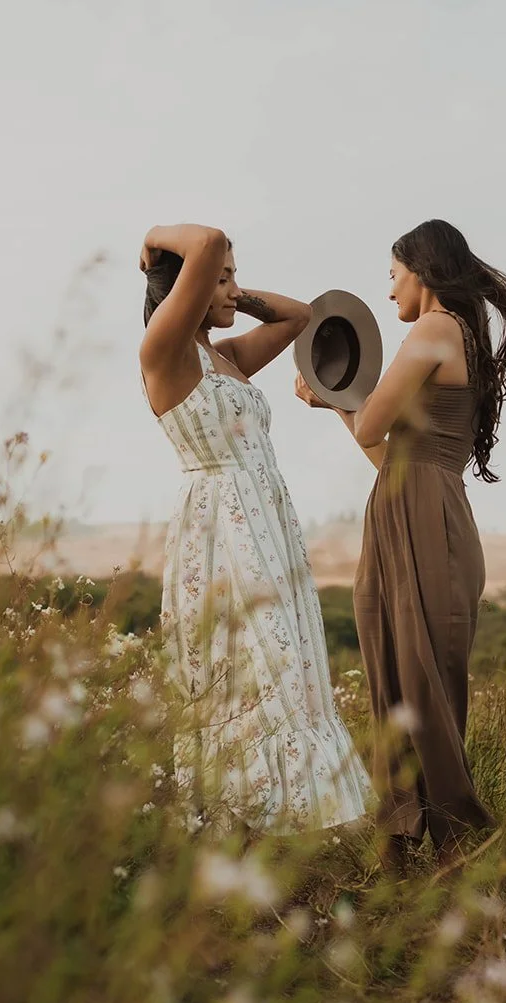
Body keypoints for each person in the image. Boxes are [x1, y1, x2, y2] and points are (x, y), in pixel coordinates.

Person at [295, 219, 506, 872]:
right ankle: (402, 838)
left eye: (391, 275)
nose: (388, 293)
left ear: (422, 269)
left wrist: (327, 395)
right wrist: (337, 407)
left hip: (426, 515)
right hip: (402, 501)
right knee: (393, 672)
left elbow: (371, 421)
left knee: (422, 684)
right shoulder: (451, 335)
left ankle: (463, 845)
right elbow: (382, 449)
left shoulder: (434, 330)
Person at [138, 223, 371, 833]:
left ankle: (278, 820)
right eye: (224, 276)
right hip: (219, 530)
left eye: (236, 275)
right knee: (245, 664)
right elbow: (209, 238)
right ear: (184, 286)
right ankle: (238, 820)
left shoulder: (226, 357)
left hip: (265, 523)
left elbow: (299, 318)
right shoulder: (163, 351)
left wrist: (229, 296)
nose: (234, 285)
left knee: (287, 665)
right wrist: (155, 238)